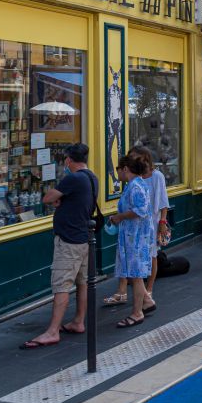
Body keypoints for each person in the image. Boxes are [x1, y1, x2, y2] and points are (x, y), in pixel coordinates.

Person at [22, 144, 98, 349]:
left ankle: (52, 331)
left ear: (68, 160)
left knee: (61, 285)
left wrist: (57, 199)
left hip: (69, 240)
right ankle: (78, 321)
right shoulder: (92, 177)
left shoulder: (73, 178)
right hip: (83, 238)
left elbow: (47, 198)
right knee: (82, 282)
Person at [109, 155, 154, 328]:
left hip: (136, 237)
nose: (117, 173)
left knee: (135, 275)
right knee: (135, 274)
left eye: (118, 170)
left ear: (125, 169)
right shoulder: (138, 184)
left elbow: (140, 210)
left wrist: (119, 217)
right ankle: (147, 302)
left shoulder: (135, 186)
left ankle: (137, 313)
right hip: (134, 236)